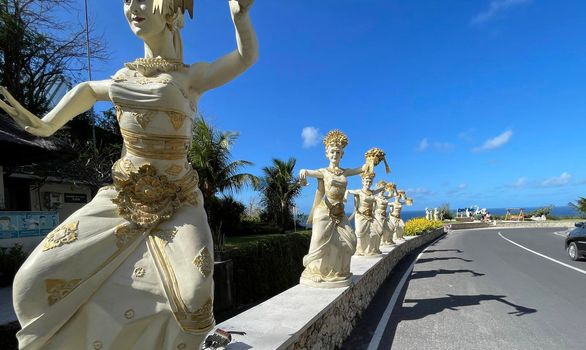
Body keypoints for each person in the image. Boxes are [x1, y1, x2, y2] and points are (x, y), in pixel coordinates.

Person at [0, 0, 258, 348]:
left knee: (195, 296)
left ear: (169, 10)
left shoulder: (190, 77)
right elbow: (88, 91)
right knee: (33, 283)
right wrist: (48, 124)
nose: (133, 8)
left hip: (179, 202)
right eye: (127, 0)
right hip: (121, 200)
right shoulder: (123, 76)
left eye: (143, 0)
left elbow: (244, 58)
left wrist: (240, 18)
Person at [298, 130, 364, 288]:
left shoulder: (344, 172)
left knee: (351, 241)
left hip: (340, 212)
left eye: (338, 152)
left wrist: (371, 161)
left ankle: (337, 270)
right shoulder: (323, 172)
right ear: (327, 154)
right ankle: (315, 271)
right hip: (324, 212)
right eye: (332, 151)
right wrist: (304, 172)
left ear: (342, 154)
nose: (335, 154)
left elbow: (360, 169)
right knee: (319, 243)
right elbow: (309, 172)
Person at [348, 173, 386, 256]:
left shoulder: (372, 192)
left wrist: (385, 187)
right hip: (361, 215)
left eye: (370, 182)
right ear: (362, 182)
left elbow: (379, 190)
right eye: (366, 181)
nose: (368, 183)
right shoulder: (359, 191)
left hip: (371, 216)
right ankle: (360, 251)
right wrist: (345, 196)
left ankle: (373, 249)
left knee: (379, 230)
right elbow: (348, 191)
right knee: (360, 232)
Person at [374, 181, 396, 246]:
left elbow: (393, 195)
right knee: (380, 230)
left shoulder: (385, 197)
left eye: (384, 188)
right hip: (378, 215)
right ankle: (379, 243)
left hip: (384, 216)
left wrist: (394, 188)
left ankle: (387, 240)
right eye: (381, 188)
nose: (383, 190)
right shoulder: (376, 197)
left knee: (391, 227)